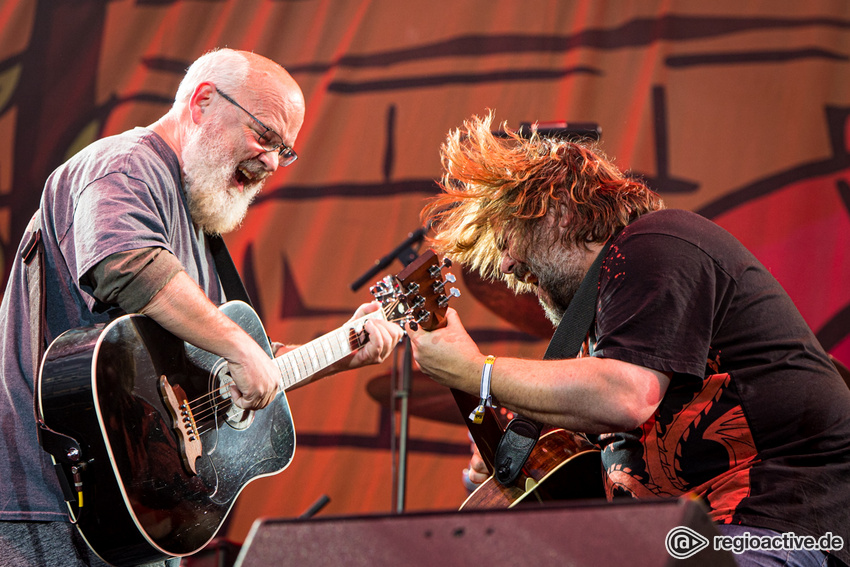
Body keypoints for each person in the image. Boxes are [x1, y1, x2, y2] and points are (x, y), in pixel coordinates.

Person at [0, 48, 403, 566]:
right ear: (203, 101)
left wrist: (336, 352)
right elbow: (122, 263)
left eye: (286, 150)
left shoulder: (195, 217)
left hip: (135, 510)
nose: (274, 163)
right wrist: (239, 345)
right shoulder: (125, 166)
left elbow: (216, 371)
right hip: (50, 503)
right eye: (266, 136)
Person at [408, 111, 850, 567]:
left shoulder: (653, 243)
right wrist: (510, 466)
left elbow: (626, 396)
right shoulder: (598, 328)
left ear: (557, 214)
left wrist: (475, 371)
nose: (505, 266)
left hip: (779, 530)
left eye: (508, 240)